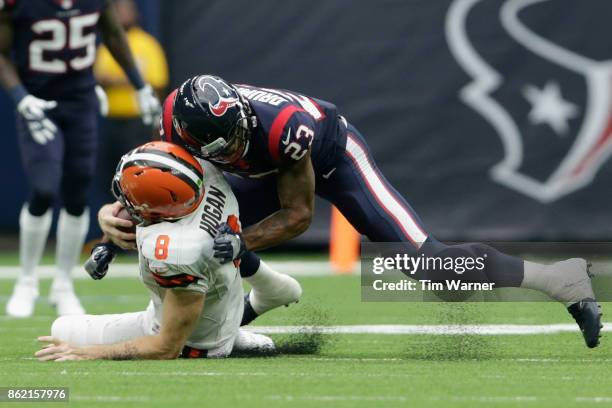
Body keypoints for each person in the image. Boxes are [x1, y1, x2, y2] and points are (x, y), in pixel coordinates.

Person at [99, 75, 602, 348]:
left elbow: (297, 215)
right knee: (199, 228)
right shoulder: (175, 122)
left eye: (236, 137)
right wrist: (112, 227)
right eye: (219, 146)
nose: (231, 148)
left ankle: (559, 278)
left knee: (432, 267)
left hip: (332, 158)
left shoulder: (280, 128)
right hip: (264, 171)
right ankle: (244, 315)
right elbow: (159, 185)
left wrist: (241, 242)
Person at [35, 142, 280, 361]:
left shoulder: (178, 249)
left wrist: (89, 353)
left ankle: (227, 339)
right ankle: (231, 333)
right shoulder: (209, 177)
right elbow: (152, 194)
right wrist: (107, 240)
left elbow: (166, 347)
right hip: (223, 308)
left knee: (62, 328)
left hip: (195, 342)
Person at [0, 0, 161, 318]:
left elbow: (114, 36)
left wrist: (140, 86)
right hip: (38, 99)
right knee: (44, 189)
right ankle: (27, 281)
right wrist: (20, 98)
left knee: (77, 193)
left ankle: (63, 285)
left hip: (81, 99)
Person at [94, 0, 169, 200]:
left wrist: (156, 122)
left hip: (138, 124)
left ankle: (138, 229)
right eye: (118, 10)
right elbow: (99, 76)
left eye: (127, 10)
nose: (122, 14)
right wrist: (127, 79)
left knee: (137, 178)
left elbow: (157, 82)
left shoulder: (147, 44)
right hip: (112, 122)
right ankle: (112, 226)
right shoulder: (108, 45)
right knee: (111, 178)